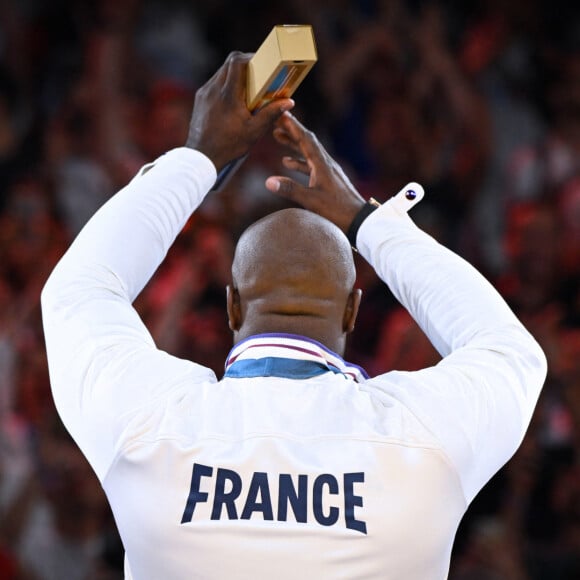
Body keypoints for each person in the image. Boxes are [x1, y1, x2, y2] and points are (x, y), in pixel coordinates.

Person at [41, 51, 547, 579]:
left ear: (232, 304)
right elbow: (510, 351)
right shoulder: (422, 437)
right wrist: (368, 223)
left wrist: (198, 157)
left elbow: (76, 292)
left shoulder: (151, 421)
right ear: (353, 312)